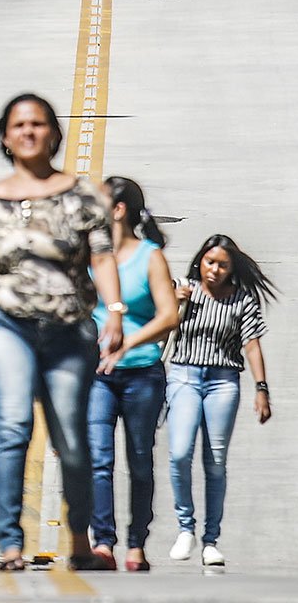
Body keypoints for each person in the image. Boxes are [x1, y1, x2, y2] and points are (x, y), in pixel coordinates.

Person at [0, 93, 123, 572]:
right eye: (19, 125)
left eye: (38, 124)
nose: (29, 132)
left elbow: (101, 256)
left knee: (71, 437)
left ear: (54, 134)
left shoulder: (85, 196)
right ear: (5, 136)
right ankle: (9, 545)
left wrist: (116, 311)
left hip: (68, 328)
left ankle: (80, 538)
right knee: (11, 427)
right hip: (4, 324)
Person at [166, 235, 275, 567]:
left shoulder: (242, 301)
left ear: (231, 269)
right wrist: (174, 301)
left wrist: (261, 388)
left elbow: (252, 346)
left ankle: (210, 540)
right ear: (200, 260)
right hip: (183, 376)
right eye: (209, 262)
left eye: (222, 265)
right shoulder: (184, 289)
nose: (214, 270)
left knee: (215, 462)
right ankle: (186, 527)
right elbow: (160, 323)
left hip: (223, 382)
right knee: (179, 453)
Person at [86, 177, 177, 572]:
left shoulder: (150, 256)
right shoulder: (91, 256)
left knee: (139, 460)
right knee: (98, 459)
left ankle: (137, 543)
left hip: (142, 374)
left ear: (118, 210)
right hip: (97, 375)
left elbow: (168, 315)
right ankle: (102, 540)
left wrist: (127, 342)